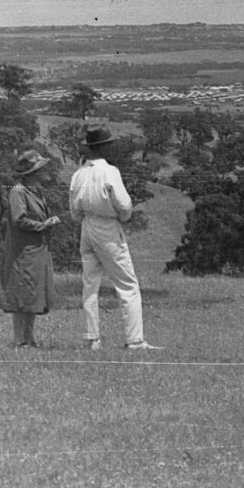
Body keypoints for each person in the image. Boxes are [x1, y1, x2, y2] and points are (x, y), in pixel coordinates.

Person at [69, 126, 158, 351]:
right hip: (107, 227)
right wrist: (121, 217)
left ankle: (93, 339)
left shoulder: (78, 174)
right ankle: (135, 340)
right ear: (105, 147)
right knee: (127, 284)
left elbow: (73, 212)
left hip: (86, 227)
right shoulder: (110, 172)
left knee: (90, 284)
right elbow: (125, 205)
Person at [0, 148, 62, 348]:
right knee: (20, 294)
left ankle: (29, 337)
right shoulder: (18, 191)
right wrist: (44, 225)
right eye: (41, 169)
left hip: (36, 249)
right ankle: (19, 339)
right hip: (22, 251)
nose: (45, 173)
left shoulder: (37, 192)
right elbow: (19, 219)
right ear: (32, 173)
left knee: (33, 294)